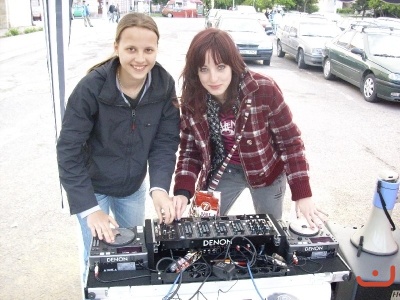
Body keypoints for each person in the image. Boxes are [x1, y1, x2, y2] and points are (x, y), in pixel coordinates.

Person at [56, 13, 180, 279]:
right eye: (131, 49)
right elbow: (69, 150)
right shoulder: (91, 88)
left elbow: (165, 141)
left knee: (131, 253)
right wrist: (90, 209)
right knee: (96, 259)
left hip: (132, 187)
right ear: (116, 48)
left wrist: (159, 189)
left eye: (148, 50)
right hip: (93, 188)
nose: (140, 58)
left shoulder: (164, 84)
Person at [172, 28, 326, 229]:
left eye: (220, 67)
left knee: (270, 230)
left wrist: (303, 193)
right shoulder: (194, 100)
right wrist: (182, 191)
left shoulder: (263, 88)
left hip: (267, 171)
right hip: (222, 169)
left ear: (232, 64)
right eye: (204, 69)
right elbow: (190, 150)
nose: (213, 78)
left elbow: (290, 141)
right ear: (195, 71)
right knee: (202, 226)